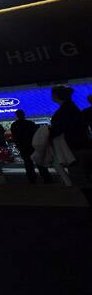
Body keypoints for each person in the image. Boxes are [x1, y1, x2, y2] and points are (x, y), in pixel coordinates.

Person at [49, 86, 92, 215]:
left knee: (83, 181)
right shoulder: (75, 109)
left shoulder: (62, 113)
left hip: (74, 150)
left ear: (56, 96)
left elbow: (57, 131)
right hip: (86, 146)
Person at [10, 109, 52, 184]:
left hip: (23, 147)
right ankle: (46, 178)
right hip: (33, 146)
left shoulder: (14, 125)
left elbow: (15, 137)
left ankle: (32, 179)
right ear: (24, 114)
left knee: (28, 163)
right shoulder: (30, 123)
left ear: (16, 116)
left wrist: (19, 146)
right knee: (40, 162)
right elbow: (36, 134)